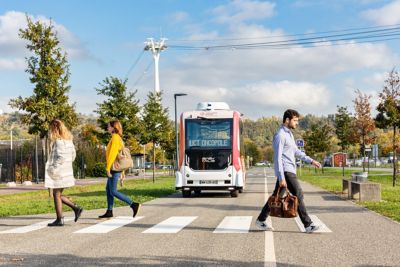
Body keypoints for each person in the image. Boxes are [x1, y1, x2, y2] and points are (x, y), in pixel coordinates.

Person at [255, 109, 322, 233]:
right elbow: (277, 157)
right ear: (287, 120)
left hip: (289, 170)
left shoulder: (289, 134)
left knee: (277, 196)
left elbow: (296, 152)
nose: (297, 123)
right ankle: (308, 224)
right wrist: (281, 177)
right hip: (286, 170)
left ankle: (261, 219)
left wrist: (311, 161)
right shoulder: (280, 135)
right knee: (298, 194)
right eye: (295, 120)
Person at [98, 120, 140, 219]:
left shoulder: (115, 138)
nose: (107, 128)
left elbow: (112, 154)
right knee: (108, 190)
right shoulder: (117, 138)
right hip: (116, 167)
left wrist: (108, 168)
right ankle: (109, 211)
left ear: (113, 127)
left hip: (114, 168)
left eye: (108, 126)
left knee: (113, 191)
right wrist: (123, 172)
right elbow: (119, 155)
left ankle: (133, 204)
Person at [45, 119, 83, 227]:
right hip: (66, 172)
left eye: (51, 129)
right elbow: (73, 156)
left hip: (59, 172)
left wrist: (53, 168)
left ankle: (61, 218)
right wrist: (66, 164)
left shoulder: (58, 142)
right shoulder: (69, 141)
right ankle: (74, 209)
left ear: (54, 129)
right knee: (57, 194)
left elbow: (60, 157)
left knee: (56, 194)